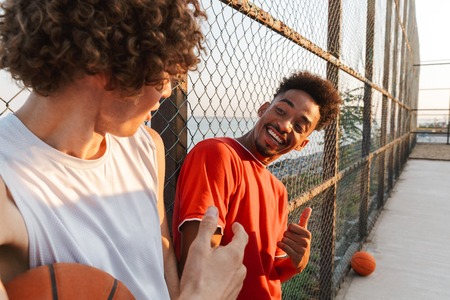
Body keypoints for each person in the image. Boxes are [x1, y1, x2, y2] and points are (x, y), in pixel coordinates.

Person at [0, 0, 248, 299]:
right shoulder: (8, 182)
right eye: (165, 73)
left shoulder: (147, 146)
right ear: (107, 64)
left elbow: (162, 253)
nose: (168, 91)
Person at [173, 71, 342, 299]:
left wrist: (297, 261)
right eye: (281, 110)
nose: (284, 125)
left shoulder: (278, 190)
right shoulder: (217, 154)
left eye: (300, 126)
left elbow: (266, 271)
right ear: (263, 109)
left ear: (303, 144)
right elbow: (198, 265)